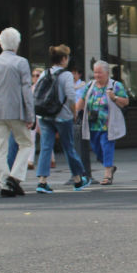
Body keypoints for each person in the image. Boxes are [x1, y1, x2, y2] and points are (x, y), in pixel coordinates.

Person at [0, 27, 35, 198]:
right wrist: (30, 114)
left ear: (1, 43)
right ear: (17, 44)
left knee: (0, 149)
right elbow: (26, 90)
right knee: (26, 143)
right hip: (17, 110)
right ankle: (15, 176)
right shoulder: (21, 62)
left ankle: (4, 183)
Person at [33, 44, 87, 193]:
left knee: (46, 147)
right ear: (63, 59)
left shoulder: (44, 73)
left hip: (45, 115)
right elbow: (70, 97)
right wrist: (74, 113)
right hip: (62, 116)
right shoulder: (66, 75)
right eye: (67, 57)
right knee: (68, 146)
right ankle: (77, 179)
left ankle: (42, 181)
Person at [80, 60, 128, 185]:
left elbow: (125, 102)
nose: (97, 75)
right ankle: (110, 167)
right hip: (93, 124)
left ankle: (107, 174)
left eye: (99, 73)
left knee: (106, 146)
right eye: (95, 72)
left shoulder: (115, 85)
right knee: (97, 149)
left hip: (108, 124)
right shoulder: (90, 86)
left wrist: (115, 97)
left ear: (107, 73)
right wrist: (74, 114)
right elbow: (81, 101)